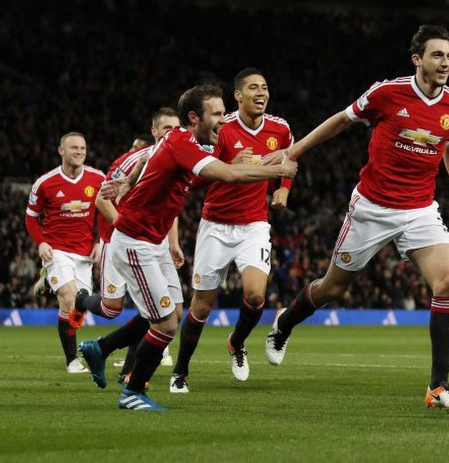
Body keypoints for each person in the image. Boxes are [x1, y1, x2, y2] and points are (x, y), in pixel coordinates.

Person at [261, 25, 449, 412]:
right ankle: (285, 323)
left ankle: (437, 388)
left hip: (420, 210)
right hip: (372, 209)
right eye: (437, 55)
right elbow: (341, 120)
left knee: (446, 282)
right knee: (332, 290)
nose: (445, 63)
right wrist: (293, 152)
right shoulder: (386, 93)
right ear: (417, 59)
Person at [78, 85, 297, 410]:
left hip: (153, 243)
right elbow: (227, 174)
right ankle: (133, 392)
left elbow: (151, 158)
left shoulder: (183, 141)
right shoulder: (183, 143)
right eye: (217, 114)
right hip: (135, 242)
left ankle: (101, 348)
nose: (224, 120)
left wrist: (130, 181)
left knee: (175, 313)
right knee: (164, 323)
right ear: (194, 117)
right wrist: (277, 170)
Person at [170, 68, 294, 392]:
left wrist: (284, 188)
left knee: (255, 296)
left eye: (265, 87)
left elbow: (290, 156)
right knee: (201, 307)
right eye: (253, 87)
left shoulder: (280, 128)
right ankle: (180, 371)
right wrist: (231, 166)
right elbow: (195, 178)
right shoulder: (221, 129)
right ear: (238, 95)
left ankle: (236, 343)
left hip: (254, 224)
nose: (261, 93)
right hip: (216, 225)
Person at [78, 109, 180, 384]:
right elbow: (102, 200)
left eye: (176, 127)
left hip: (153, 242)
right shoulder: (132, 161)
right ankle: (81, 300)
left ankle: (128, 370)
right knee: (114, 308)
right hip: (121, 239)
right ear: (154, 132)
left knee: (166, 311)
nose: (172, 132)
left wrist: (173, 242)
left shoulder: (178, 156)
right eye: (166, 127)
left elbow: (171, 203)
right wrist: (124, 224)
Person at [25, 132, 105, 373]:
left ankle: (49, 281)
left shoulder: (97, 179)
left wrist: (100, 241)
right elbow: (31, 217)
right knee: (69, 298)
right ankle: (72, 360)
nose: (79, 151)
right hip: (56, 250)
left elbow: (105, 212)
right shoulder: (45, 183)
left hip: (84, 253)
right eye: (73, 148)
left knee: (78, 308)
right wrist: (40, 243)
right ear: (61, 151)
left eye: (82, 147)